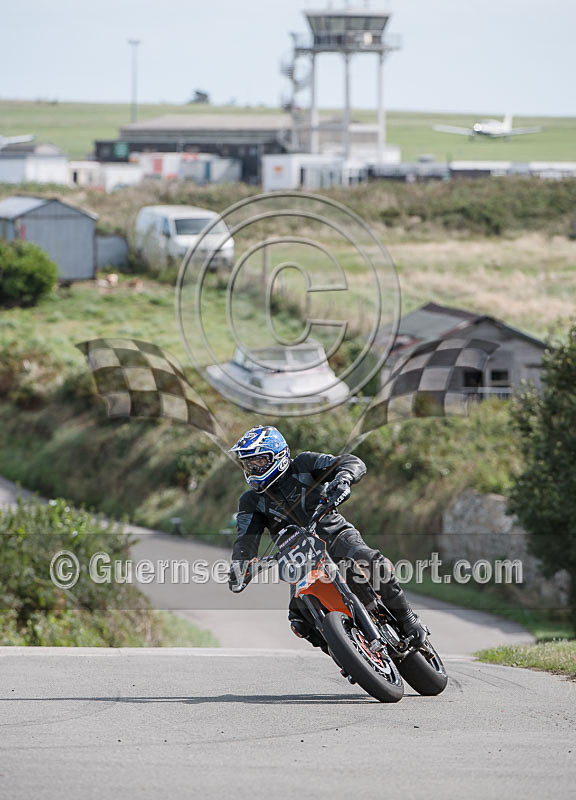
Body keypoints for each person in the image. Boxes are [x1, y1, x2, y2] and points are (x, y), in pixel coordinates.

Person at [227, 424, 428, 650]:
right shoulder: (250, 501)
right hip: (298, 559)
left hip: (334, 533)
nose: (253, 467)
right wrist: (240, 564)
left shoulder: (304, 463)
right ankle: (343, 653)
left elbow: (350, 462)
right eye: (249, 463)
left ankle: (408, 619)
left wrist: (343, 478)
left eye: (259, 461)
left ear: (278, 455)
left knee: (373, 563)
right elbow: (245, 538)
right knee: (299, 621)